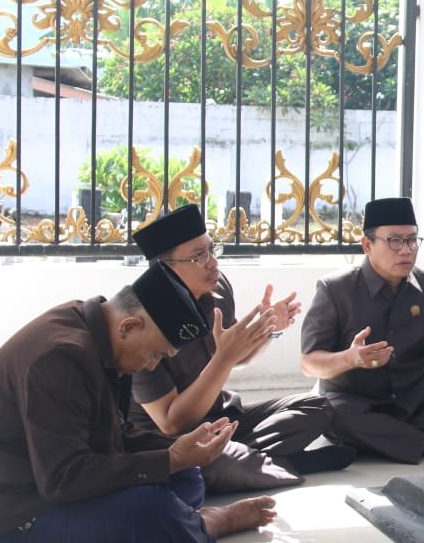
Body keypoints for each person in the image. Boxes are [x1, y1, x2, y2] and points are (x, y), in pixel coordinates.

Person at [0, 262, 277, 543]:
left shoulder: (98, 330)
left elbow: (110, 435)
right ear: (130, 326)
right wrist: (169, 458)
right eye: (156, 353)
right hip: (2, 522)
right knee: (152, 508)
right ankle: (209, 523)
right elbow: (64, 479)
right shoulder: (60, 357)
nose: (151, 366)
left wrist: (178, 452)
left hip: (51, 492)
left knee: (187, 478)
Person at [128, 205, 355, 494]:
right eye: (198, 256)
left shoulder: (218, 288)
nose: (212, 263)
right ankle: (265, 462)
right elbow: (172, 422)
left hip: (222, 418)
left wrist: (266, 329)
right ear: (165, 269)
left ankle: (248, 461)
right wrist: (225, 358)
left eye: (213, 250)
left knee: (318, 406)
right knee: (211, 463)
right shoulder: (141, 323)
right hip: (175, 439)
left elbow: (236, 357)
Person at [299, 197, 424, 463]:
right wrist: (352, 358)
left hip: (412, 405)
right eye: (394, 241)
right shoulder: (335, 289)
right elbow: (309, 363)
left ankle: (390, 441)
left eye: (412, 240)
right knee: (330, 413)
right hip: (355, 404)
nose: (406, 250)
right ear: (367, 245)